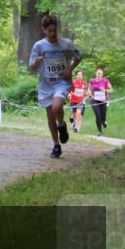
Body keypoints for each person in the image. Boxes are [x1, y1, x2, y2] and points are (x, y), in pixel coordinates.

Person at [27, 15, 82, 158]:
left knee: (56, 107)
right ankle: (56, 145)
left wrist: (69, 70)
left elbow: (79, 56)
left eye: (55, 31)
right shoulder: (39, 46)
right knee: (50, 116)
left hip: (62, 82)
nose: (53, 34)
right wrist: (36, 63)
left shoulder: (66, 43)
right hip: (46, 85)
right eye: (50, 31)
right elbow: (31, 68)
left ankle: (62, 124)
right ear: (44, 30)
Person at [88, 68, 114, 137]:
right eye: (98, 73)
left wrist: (104, 90)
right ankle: (100, 131)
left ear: (102, 74)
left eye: (100, 73)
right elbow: (89, 89)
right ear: (96, 74)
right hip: (94, 100)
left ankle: (103, 121)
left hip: (103, 101)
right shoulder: (92, 81)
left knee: (103, 115)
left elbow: (111, 90)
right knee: (97, 115)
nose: (99, 74)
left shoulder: (105, 81)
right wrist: (90, 94)